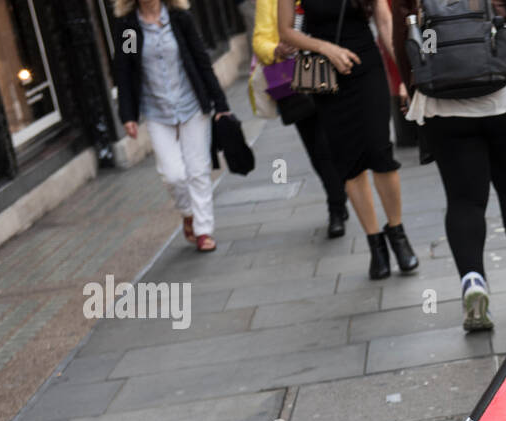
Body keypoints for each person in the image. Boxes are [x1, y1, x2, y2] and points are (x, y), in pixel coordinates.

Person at [392, 0, 506, 332]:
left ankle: (473, 281)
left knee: (464, 200)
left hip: (441, 100)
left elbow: (401, 37)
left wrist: (417, 79)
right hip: (505, 90)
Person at [278, 0, 418, 279]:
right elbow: (285, 31)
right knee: (349, 162)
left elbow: (385, 23)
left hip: (367, 68)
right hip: (327, 77)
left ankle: (398, 234)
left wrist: (407, 75)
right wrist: (325, 47)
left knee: (381, 154)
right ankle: (375, 243)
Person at [113, 0, 231, 253]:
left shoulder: (180, 19)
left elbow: (201, 61)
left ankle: (203, 231)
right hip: (156, 110)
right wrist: (128, 115)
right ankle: (188, 212)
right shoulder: (129, 29)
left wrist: (220, 103)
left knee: (198, 170)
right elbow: (124, 71)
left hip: (191, 105)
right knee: (173, 175)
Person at [253, 0, 348, 238]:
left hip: (338, 66)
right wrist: (275, 50)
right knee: (318, 148)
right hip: (296, 76)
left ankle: (340, 195)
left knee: (338, 142)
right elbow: (260, 40)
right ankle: (336, 204)